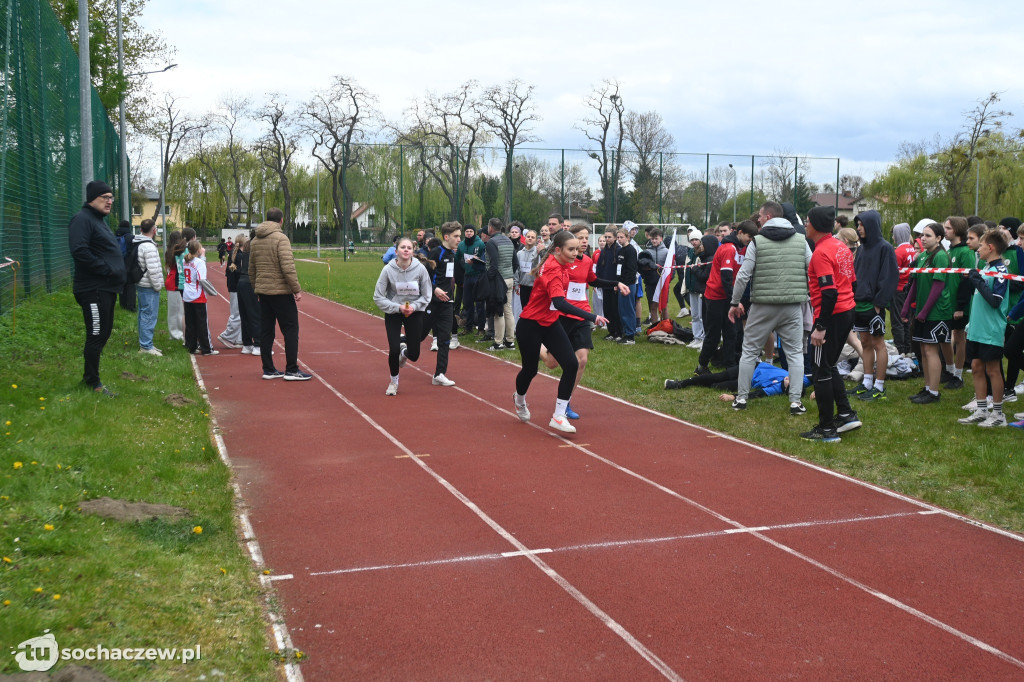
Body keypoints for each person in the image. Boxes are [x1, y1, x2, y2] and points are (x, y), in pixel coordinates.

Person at [513, 230, 611, 435]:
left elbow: (586, 282)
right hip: (530, 324)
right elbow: (559, 302)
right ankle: (519, 398)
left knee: (572, 364)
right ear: (558, 250)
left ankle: (558, 415)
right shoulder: (552, 270)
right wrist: (592, 316)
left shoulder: (564, 265)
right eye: (571, 249)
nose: (576, 252)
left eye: (577, 248)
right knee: (530, 370)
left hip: (550, 323)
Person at [728, 202, 812, 414]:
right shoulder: (801, 241)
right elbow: (812, 271)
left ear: (767, 216)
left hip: (762, 305)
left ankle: (742, 399)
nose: (758, 220)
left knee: (749, 351)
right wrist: (810, 297)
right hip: (792, 305)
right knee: (795, 354)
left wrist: (734, 302)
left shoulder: (757, 241)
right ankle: (795, 401)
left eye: (760, 217)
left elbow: (743, 275)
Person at [540, 224, 629, 419]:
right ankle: (540, 346)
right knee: (552, 363)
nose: (584, 241)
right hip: (561, 314)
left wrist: (616, 283)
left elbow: (593, 280)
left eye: (586, 238)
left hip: (582, 315)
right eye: (580, 237)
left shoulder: (587, 261)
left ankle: (566, 402)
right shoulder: (560, 261)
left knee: (582, 360)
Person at [802, 205, 862, 442]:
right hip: (846, 311)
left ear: (815, 225)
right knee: (828, 365)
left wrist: (820, 326)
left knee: (820, 370)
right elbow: (852, 283)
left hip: (832, 315)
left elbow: (829, 293)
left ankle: (826, 428)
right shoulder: (841, 247)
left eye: (807, 221)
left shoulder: (822, 252)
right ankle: (846, 414)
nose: (805, 225)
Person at [68, 180, 125, 397]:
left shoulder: (99, 220)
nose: (110, 201)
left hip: (106, 290)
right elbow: (79, 250)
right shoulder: (82, 219)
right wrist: (106, 269)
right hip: (93, 289)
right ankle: (93, 383)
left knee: (103, 333)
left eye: (112, 198)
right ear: (93, 198)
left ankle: (89, 378)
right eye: (106, 197)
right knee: (96, 333)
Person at [249, 207, 311, 381]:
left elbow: (251, 269)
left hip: (264, 292)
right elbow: (288, 267)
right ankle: (291, 369)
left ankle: (268, 369)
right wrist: (296, 289)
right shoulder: (281, 239)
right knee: (291, 329)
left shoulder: (254, 241)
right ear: (281, 221)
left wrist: (257, 288)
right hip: (281, 291)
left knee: (266, 330)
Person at [959, 230, 1010, 427]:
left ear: (991, 248)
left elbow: (995, 301)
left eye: (981, 246)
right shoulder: (985, 268)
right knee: (976, 367)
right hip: (977, 329)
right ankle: (981, 409)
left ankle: (998, 414)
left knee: (993, 369)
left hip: (991, 330)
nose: (978, 249)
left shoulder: (1001, 272)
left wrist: (977, 282)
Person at [848, 210, 899, 402]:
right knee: (865, 343)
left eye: (861, 225)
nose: (859, 228)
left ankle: (879, 386)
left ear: (871, 225)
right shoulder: (860, 249)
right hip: (858, 303)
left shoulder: (885, 248)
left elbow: (890, 277)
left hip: (873, 305)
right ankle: (867, 382)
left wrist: (879, 303)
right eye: (858, 225)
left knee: (879, 344)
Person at [901, 222, 954, 404]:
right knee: (923, 350)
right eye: (922, 235)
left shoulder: (940, 256)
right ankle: (927, 387)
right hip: (922, 311)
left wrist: (924, 311)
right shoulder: (922, 256)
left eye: (928, 235)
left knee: (931, 351)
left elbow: (938, 287)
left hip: (936, 312)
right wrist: (907, 306)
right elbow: (914, 284)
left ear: (939, 238)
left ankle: (934, 392)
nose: (923, 238)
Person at [373, 236, 433, 395]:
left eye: (409, 248)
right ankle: (394, 381)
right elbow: (378, 296)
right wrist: (398, 307)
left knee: (414, 355)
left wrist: (413, 307)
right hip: (394, 311)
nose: (406, 250)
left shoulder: (420, 269)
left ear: (413, 251)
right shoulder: (388, 270)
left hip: (414, 312)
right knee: (393, 349)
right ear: (396, 251)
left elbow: (427, 295)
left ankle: (404, 352)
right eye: (403, 247)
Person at [419, 222, 461, 385]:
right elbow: (424, 277)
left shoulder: (452, 254)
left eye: (459, 236)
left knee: (445, 338)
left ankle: (439, 374)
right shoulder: (436, 253)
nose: (459, 239)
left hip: (447, 303)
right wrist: (435, 289)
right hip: (432, 303)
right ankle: (404, 346)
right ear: (446, 237)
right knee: (420, 335)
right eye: (456, 236)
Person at [943, 216, 976, 390]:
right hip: (947, 302)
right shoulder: (949, 250)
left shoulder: (966, 252)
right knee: (944, 336)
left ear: (956, 230)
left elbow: (967, 280)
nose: (945, 231)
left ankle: (958, 374)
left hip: (959, 304)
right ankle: (948, 370)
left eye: (947, 228)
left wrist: (960, 306)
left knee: (959, 336)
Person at [181, 239, 219, 356]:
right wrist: (212, 291)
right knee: (202, 323)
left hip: (187, 294)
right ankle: (207, 348)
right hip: (197, 295)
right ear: (198, 250)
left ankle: (191, 346)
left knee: (190, 322)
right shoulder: (199, 262)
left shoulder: (185, 260)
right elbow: (202, 279)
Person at [485, 217, 516, 351]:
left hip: (499, 280)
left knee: (499, 312)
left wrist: (490, 279)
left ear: (490, 228)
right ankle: (510, 341)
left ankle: (498, 342)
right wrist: (510, 273)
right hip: (509, 279)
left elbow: (494, 264)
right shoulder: (509, 240)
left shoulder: (492, 242)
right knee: (508, 310)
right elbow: (515, 263)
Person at [134, 219, 164, 356]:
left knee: (143, 313)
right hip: (148, 285)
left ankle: (146, 343)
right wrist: (158, 286)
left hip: (141, 283)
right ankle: (146, 346)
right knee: (149, 315)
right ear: (154, 230)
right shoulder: (149, 247)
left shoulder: (139, 243)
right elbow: (153, 269)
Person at [231, 234, 261, 355]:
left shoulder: (244, 253)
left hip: (241, 283)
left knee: (245, 315)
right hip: (250, 283)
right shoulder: (255, 253)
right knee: (255, 314)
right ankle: (258, 345)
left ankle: (247, 344)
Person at [456, 226, 487, 336]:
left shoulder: (480, 244)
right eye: (467, 231)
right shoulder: (461, 245)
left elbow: (484, 261)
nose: (469, 233)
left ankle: (481, 328)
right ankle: (468, 327)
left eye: (471, 231)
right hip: (467, 276)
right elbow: (456, 258)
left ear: (474, 233)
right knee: (467, 303)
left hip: (478, 276)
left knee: (479, 303)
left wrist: (475, 262)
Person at [890, 223, 915, 357]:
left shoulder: (898, 252)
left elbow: (893, 272)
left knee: (898, 320)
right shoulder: (912, 249)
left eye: (894, 234)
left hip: (899, 288)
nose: (893, 237)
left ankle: (900, 349)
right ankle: (908, 347)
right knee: (907, 319)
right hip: (910, 288)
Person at [218, 232, 246, 350]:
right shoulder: (239, 256)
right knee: (237, 313)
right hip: (236, 287)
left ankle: (239, 339)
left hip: (233, 286)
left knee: (239, 313)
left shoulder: (233, 254)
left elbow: (228, 272)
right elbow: (238, 273)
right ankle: (227, 336)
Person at [613, 226, 639, 344]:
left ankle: (630, 336)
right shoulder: (620, 250)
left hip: (628, 285)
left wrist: (625, 285)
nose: (619, 239)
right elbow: (619, 269)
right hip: (621, 284)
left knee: (628, 310)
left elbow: (631, 270)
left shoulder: (631, 250)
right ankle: (625, 332)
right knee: (622, 310)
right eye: (618, 237)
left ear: (627, 237)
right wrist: (617, 283)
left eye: (621, 237)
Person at [596, 226, 622, 341]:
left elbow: (620, 268)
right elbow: (599, 268)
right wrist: (598, 281)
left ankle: (618, 331)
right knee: (607, 309)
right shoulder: (604, 251)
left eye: (609, 237)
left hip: (615, 284)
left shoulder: (619, 250)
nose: (607, 239)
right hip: (605, 284)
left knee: (615, 309)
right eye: (605, 237)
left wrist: (618, 283)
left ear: (615, 238)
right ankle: (611, 331)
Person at [163, 230, 186, 343]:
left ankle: (175, 333)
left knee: (174, 310)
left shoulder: (169, 251)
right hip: (175, 282)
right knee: (177, 310)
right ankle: (176, 334)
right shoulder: (177, 251)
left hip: (171, 280)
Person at [514, 229, 540, 317]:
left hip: (534, 287)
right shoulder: (519, 253)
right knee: (524, 309)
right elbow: (517, 270)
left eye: (532, 237)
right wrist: (516, 284)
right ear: (525, 238)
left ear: (536, 240)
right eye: (528, 237)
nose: (530, 239)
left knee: (534, 310)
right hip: (523, 286)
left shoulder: (538, 253)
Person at [115, 220, 136, 311]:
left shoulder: (115, 236)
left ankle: (122, 304)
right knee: (131, 285)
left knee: (122, 284)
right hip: (129, 265)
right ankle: (131, 306)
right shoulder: (131, 237)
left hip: (118, 265)